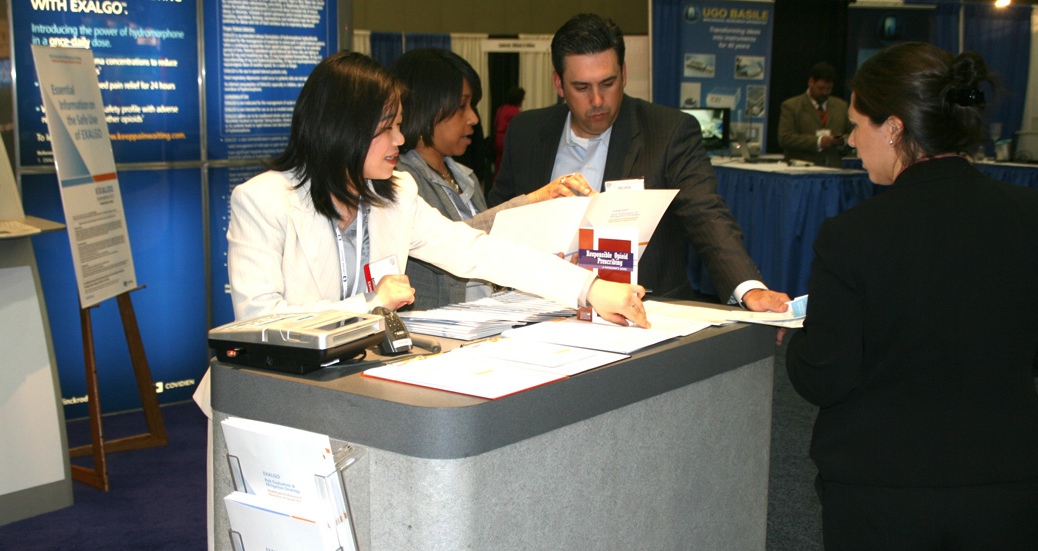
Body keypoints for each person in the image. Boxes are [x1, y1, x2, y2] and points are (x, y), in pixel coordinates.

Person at [785, 42, 1038, 549]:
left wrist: (798, 341)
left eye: (859, 124)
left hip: (880, 492)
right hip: (1008, 486)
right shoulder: (1028, 215)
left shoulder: (852, 235)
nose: (853, 140)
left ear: (895, 127)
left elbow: (825, 376)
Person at [226, 51, 645, 326]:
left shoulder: (396, 194)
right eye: (387, 128)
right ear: (345, 130)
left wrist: (588, 288)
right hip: (279, 392)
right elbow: (257, 320)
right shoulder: (263, 201)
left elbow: (479, 251)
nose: (400, 140)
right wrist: (369, 303)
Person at [488, 13, 789, 315]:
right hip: (540, 308)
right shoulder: (526, 131)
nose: (597, 101)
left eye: (608, 83)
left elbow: (706, 214)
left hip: (642, 312)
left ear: (624, 73)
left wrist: (748, 287)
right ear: (558, 83)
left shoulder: (668, 131)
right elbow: (499, 218)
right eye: (581, 88)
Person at [390, 48, 593, 310]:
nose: (474, 118)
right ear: (427, 107)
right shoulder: (402, 184)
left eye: (472, 105)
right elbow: (460, 244)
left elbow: (495, 252)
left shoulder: (467, 178)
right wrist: (533, 201)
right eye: (461, 106)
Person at [777, 62, 853, 167]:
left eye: (829, 89)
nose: (825, 93)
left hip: (833, 170)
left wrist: (842, 141)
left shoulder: (842, 106)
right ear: (811, 82)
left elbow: (854, 133)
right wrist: (818, 141)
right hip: (801, 171)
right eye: (821, 88)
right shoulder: (791, 106)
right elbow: (785, 138)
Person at [493, 86, 525, 182]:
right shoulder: (516, 112)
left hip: (497, 140)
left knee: (498, 167)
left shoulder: (501, 109)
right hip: (507, 142)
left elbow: (495, 123)